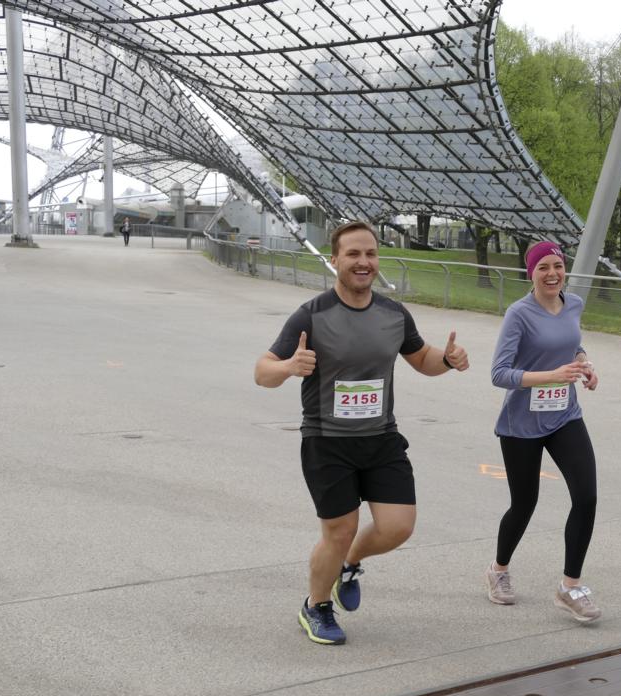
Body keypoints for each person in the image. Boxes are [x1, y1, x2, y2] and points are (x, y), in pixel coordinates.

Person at [254, 220, 469, 645]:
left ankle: (348, 562)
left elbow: (422, 359)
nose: (363, 262)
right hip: (327, 442)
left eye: (370, 253)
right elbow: (263, 371)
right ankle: (316, 606)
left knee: (398, 527)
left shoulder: (393, 314)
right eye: (353, 254)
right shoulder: (312, 315)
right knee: (339, 530)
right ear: (335, 260)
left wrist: (447, 360)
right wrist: (289, 366)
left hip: (381, 439)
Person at [486, 241, 602, 623]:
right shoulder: (519, 314)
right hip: (522, 424)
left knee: (586, 497)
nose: (552, 274)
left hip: (565, 416)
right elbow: (499, 373)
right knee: (524, 504)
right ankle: (498, 570)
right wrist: (551, 375)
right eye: (543, 268)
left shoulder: (574, 304)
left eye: (558, 266)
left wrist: (584, 364)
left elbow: (572, 344)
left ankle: (570, 587)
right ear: (531, 273)